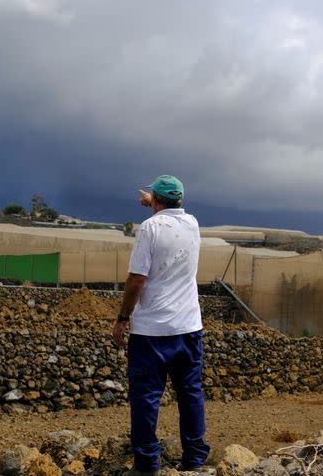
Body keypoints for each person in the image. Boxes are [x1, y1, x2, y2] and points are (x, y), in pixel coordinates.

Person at [112, 175, 210, 474]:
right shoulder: (192, 224)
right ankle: (193, 459)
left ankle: (146, 464)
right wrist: (154, 201)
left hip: (151, 332)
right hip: (189, 328)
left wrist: (122, 318)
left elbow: (136, 280)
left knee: (146, 398)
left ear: (155, 201)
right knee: (190, 392)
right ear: (180, 199)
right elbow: (171, 213)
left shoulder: (149, 228)